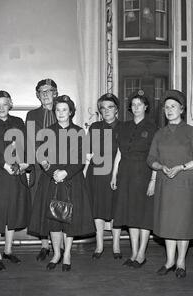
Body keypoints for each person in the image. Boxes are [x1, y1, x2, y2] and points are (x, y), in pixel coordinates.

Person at [28, 95, 95, 271]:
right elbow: (42, 157)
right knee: (53, 219)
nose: (61, 113)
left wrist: (66, 172)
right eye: (58, 110)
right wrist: (53, 172)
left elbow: (81, 158)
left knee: (69, 220)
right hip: (51, 180)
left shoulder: (79, 131)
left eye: (64, 109)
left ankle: (67, 255)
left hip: (72, 180)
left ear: (71, 112)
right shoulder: (47, 131)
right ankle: (56, 253)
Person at [147, 90, 193, 278]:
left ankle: (181, 262)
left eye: (173, 106)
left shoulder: (191, 132)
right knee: (167, 223)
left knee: (181, 224)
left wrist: (181, 167)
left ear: (181, 109)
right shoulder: (159, 133)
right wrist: (161, 167)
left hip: (183, 183)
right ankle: (169, 261)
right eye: (166, 107)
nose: (169, 110)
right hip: (165, 183)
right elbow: (151, 159)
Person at [0, 90, 31, 271]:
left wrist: (26, 164)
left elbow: (26, 146)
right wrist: (4, 165)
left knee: (12, 212)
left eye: (5, 103)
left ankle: (8, 250)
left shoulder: (18, 122)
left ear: (10, 104)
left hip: (16, 174)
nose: (2, 107)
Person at [111, 90, 157, 268]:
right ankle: (133, 252)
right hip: (126, 174)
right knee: (130, 214)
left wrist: (153, 180)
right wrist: (114, 174)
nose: (136, 107)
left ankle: (141, 254)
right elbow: (119, 153)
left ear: (146, 107)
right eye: (133, 104)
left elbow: (156, 157)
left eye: (140, 104)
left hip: (144, 174)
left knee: (143, 215)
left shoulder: (153, 128)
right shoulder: (123, 127)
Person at [26, 79, 61, 261]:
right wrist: (35, 164)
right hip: (40, 167)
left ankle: (59, 246)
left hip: (59, 165)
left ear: (55, 93)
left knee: (58, 202)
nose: (45, 94)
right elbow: (30, 141)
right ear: (37, 95)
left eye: (49, 91)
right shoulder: (32, 115)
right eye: (41, 91)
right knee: (40, 204)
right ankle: (44, 245)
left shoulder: (62, 109)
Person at [86, 93, 122, 259]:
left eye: (110, 107)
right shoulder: (94, 127)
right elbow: (87, 151)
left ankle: (116, 245)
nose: (106, 111)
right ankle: (99, 244)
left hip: (116, 174)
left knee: (115, 209)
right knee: (98, 209)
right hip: (97, 174)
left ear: (116, 109)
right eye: (103, 108)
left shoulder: (124, 127)